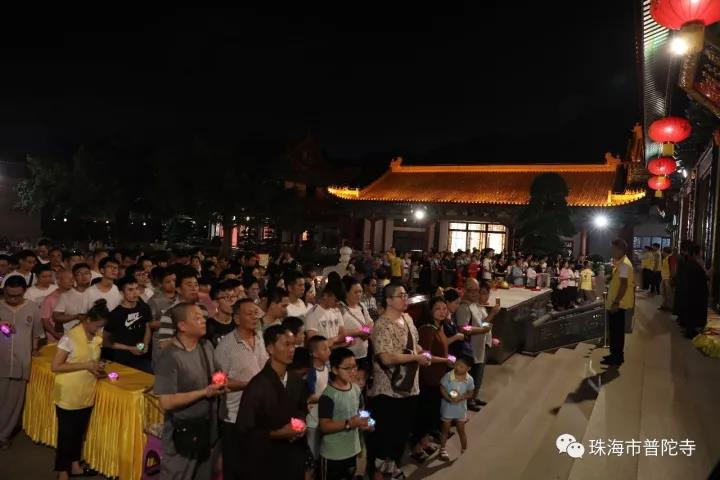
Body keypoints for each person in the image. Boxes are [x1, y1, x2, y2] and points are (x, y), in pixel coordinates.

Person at [153, 303, 229, 480]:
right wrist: (204, 392)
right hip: (183, 434)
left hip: (208, 430)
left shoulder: (206, 345)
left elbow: (217, 373)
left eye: (203, 317)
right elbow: (166, 402)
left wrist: (220, 380)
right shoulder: (170, 356)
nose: (203, 321)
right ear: (182, 326)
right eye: (197, 318)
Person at [367, 284, 431, 480]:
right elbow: (386, 358)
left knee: (401, 433)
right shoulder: (382, 325)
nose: (405, 299)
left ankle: (393, 467)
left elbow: (414, 344)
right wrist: (415, 357)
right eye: (400, 295)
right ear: (388, 300)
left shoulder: (407, 318)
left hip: (410, 386)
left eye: (406, 295)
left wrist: (422, 353)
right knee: (385, 436)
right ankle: (378, 472)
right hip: (388, 390)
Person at [234, 324, 309, 480]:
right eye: (286, 345)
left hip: (294, 454)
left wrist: (300, 424)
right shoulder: (257, 386)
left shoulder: (296, 380)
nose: (292, 350)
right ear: (270, 348)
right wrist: (278, 434)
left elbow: (302, 408)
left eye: (293, 345)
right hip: (267, 458)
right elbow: (245, 430)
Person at [51, 299, 109, 480]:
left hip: (86, 392)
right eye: (97, 325)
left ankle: (75, 466)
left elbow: (90, 361)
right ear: (88, 320)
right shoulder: (69, 337)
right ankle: (62, 471)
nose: (99, 329)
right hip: (68, 394)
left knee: (78, 433)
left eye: (102, 326)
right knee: (66, 435)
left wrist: (97, 368)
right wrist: (86, 365)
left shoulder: (96, 338)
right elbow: (56, 366)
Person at [215, 298, 268, 480]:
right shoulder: (226, 346)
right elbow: (219, 381)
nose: (255, 317)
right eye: (249, 313)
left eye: (256, 313)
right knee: (235, 469)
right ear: (237, 319)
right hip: (234, 417)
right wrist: (250, 385)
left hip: (259, 414)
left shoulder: (260, 338)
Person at [0, 276, 42, 449]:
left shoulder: (32, 308)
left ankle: (3, 435)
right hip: (1, 360)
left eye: (17, 296)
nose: (13, 299)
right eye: (9, 295)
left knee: (13, 402)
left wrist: (34, 349)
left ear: (24, 291)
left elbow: (36, 333)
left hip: (21, 362)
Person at [318, 347, 371, 480]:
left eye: (354, 367)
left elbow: (361, 412)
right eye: (347, 368)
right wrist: (349, 423)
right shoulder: (328, 395)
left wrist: (367, 423)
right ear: (335, 370)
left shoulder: (356, 389)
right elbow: (324, 426)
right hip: (333, 453)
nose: (353, 371)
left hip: (352, 450)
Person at [411, 296, 452, 463]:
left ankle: (425, 441)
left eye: (444, 308)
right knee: (425, 413)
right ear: (430, 311)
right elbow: (425, 355)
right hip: (428, 377)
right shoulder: (427, 329)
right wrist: (445, 360)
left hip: (438, 376)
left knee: (433, 413)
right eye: (438, 309)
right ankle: (416, 446)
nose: (442, 312)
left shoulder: (439, 327)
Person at [455, 278, 497, 411]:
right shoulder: (464, 307)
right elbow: (463, 328)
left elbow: (483, 323)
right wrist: (482, 330)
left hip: (481, 344)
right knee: (472, 375)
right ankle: (468, 400)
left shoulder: (475, 305)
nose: (474, 293)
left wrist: (490, 318)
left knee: (478, 374)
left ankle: (474, 396)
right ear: (464, 290)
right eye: (470, 290)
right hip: (471, 347)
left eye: (476, 290)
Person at [103, 277, 152, 372]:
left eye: (136, 288)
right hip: (121, 359)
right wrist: (130, 348)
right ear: (122, 293)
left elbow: (147, 327)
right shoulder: (114, 315)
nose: (135, 292)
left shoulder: (144, 308)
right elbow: (105, 342)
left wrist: (145, 345)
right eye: (130, 290)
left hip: (142, 356)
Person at [602, 238, 634, 367]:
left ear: (620, 250)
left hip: (619, 304)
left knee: (617, 332)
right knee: (614, 331)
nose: (612, 251)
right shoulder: (620, 263)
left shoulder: (624, 264)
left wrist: (616, 302)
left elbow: (624, 285)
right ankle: (614, 354)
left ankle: (617, 357)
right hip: (616, 303)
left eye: (614, 249)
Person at [438, 354, 475, 462]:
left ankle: (464, 449)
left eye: (461, 366)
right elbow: (442, 387)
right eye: (457, 364)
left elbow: (470, 393)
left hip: (460, 409)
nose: (457, 367)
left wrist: (461, 397)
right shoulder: (448, 376)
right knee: (445, 429)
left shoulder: (469, 379)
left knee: (461, 429)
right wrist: (448, 398)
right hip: (448, 408)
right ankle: (442, 449)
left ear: (468, 368)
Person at [306, 335, 332, 460]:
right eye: (324, 349)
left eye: (328, 348)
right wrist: (326, 397)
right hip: (312, 419)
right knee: (312, 452)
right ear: (314, 354)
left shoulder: (325, 369)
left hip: (323, 417)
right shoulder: (311, 372)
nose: (329, 351)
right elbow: (310, 398)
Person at [340, 278, 374, 368]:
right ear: (346, 292)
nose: (359, 295)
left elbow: (370, 322)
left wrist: (365, 331)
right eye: (355, 292)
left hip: (364, 353)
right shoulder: (340, 308)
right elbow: (340, 333)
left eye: (360, 291)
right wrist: (359, 333)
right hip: (347, 355)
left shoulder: (361, 306)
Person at [53, 263, 93, 334]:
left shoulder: (97, 292)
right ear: (74, 278)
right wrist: (76, 316)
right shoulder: (66, 295)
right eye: (79, 274)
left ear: (91, 275)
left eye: (86, 273)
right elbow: (56, 317)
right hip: (72, 335)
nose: (83, 276)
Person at [305, 283, 346, 347]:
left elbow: (342, 335)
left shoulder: (336, 311)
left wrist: (333, 341)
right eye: (335, 300)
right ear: (325, 296)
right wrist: (336, 343)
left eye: (339, 301)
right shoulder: (312, 314)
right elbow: (314, 345)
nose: (337, 304)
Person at [40, 269, 74, 343]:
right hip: (56, 340)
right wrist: (57, 335)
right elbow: (45, 321)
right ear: (58, 281)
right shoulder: (50, 299)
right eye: (68, 278)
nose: (72, 281)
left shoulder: (77, 296)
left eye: (73, 278)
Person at [684, 244, 709, 339]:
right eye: (701, 251)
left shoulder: (690, 263)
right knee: (695, 312)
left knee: (692, 312)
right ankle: (692, 332)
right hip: (697, 293)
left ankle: (690, 331)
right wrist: (707, 269)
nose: (702, 253)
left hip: (692, 292)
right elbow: (704, 277)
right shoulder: (694, 264)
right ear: (695, 253)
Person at [204, 281, 238, 348]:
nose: (232, 300)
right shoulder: (208, 326)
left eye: (234, 296)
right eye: (227, 297)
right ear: (215, 303)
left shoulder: (239, 320)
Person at [659, 246, 674, 311]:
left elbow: (672, 268)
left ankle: (670, 306)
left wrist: (671, 277)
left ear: (665, 251)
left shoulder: (670, 258)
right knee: (663, 291)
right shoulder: (666, 258)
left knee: (668, 293)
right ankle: (664, 305)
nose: (662, 252)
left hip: (668, 277)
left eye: (663, 251)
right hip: (664, 277)